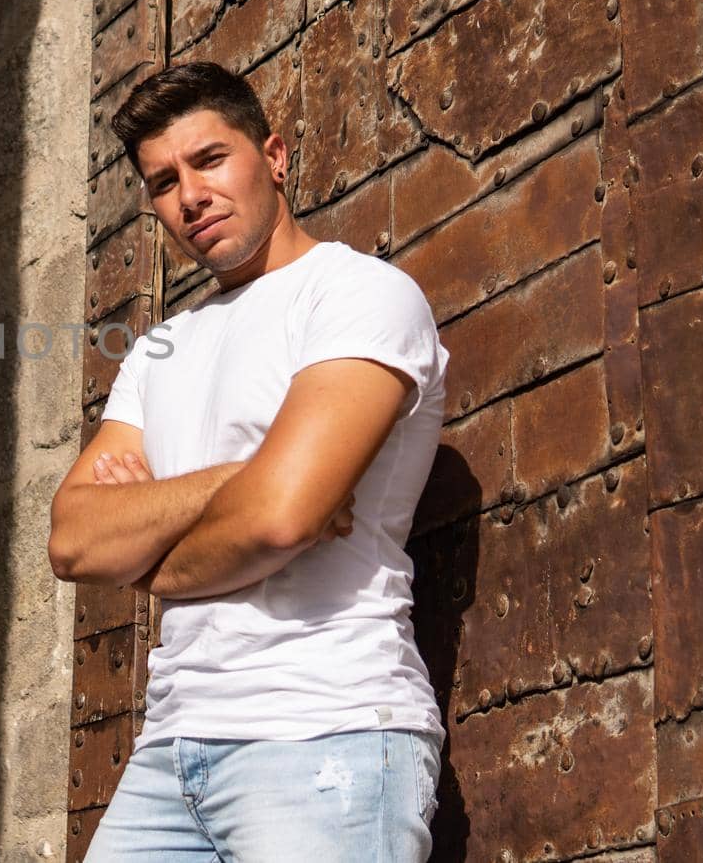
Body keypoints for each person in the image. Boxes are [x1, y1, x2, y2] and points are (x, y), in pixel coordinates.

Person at [48, 61, 447, 860]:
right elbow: (73, 538)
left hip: (323, 732)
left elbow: (280, 518)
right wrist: (252, 473)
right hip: (169, 754)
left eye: (209, 160)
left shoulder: (359, 295)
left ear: (275, 155)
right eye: (162, 182)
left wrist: (150, 548)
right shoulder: (161, 348)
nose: (188, 195)